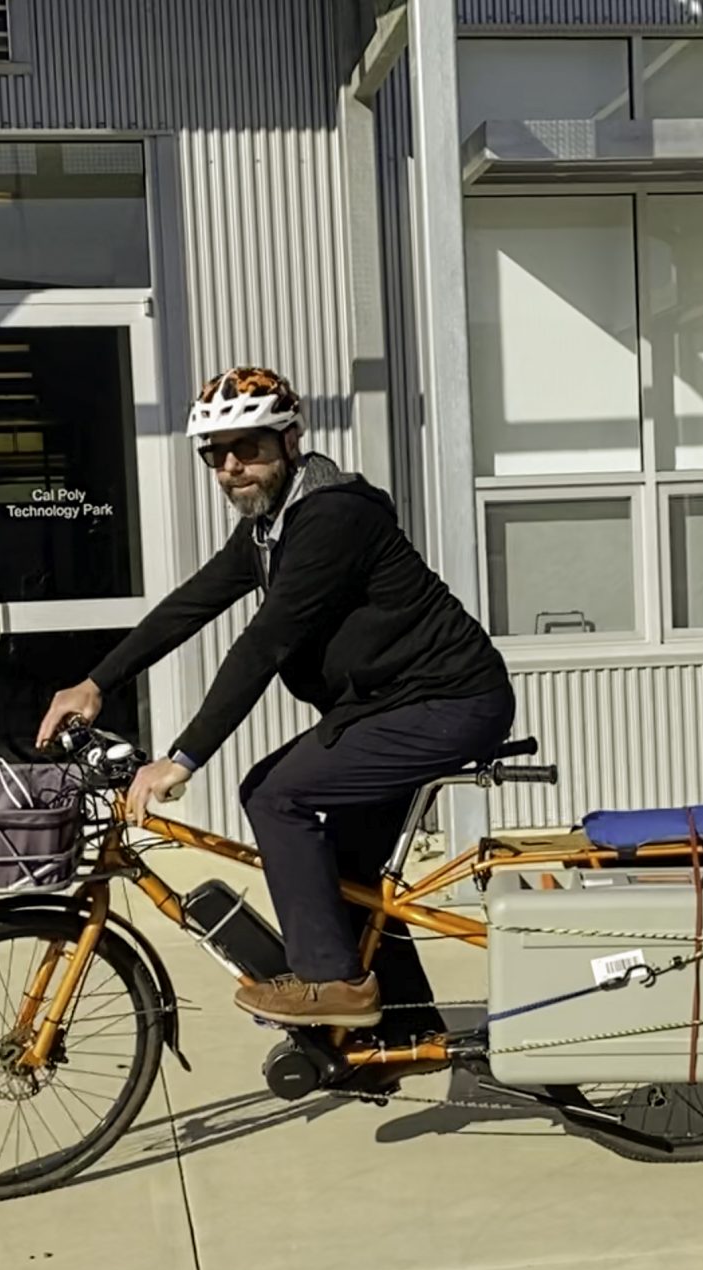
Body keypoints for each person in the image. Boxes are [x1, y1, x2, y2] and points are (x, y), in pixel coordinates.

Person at [36, 366, 516, 1032]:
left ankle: (330, 983)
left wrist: (182, 757)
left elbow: (264, 645)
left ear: (289, 442)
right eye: (215, 453)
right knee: (345, 874)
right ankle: (394, 1032)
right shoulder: (272, 528)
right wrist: (96, 681)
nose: (232, 466)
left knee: (273, 793)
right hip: (389, 706)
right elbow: (192, 605)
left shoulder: (330, 519)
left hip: (448, 703)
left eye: (248, 448)